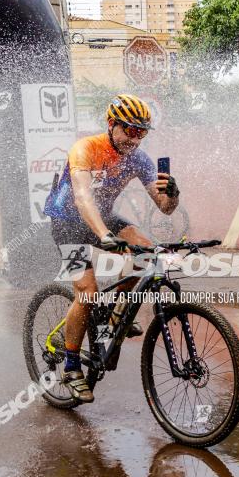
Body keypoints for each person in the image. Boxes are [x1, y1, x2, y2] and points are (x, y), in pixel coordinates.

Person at [44, 94, 179, 402]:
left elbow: (165, 208)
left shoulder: (140, 159)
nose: (135, 138)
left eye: (141, 132)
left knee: (146, 252)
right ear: (111, 124)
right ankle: (71, 364)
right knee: (88, 292)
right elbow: (82, 197)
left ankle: (116, 316)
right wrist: (103, 235)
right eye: (129, 130)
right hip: (67, 224)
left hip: (104, 218)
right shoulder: (87, 148)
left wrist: (173, 194)